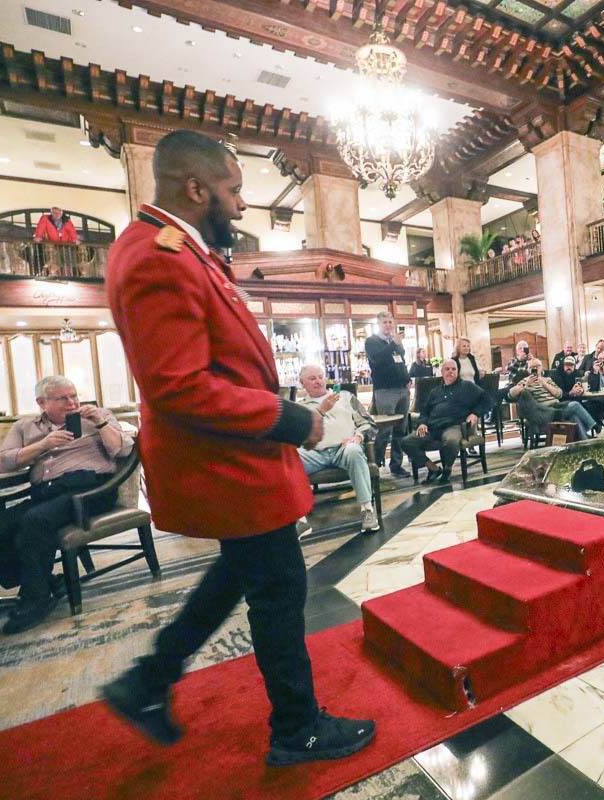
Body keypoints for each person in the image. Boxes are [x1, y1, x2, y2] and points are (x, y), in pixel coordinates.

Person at [101, 130, 375, 765]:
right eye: (234, 190)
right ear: (196, 189)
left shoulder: (177, 249)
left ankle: (149, 678)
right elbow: (178, 385)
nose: (243, 206)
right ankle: (297, 730)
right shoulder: (156, 257)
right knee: (278, 586)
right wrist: (288, 417)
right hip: (225, 460)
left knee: (246, 571)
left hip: (235, 458)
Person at [0, 376, 131, 635]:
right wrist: (43, 445)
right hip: (47, 494)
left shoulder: (98, 417)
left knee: (36, 521)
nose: (73, 402)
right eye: (63, 398)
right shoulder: (25, 426)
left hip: (90, 490)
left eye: (74, 395)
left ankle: (35, 598)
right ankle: (42, 580)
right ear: (42, 403)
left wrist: (101, 422)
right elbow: (2, 463)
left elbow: (124, 451)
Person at [295, 365, 379, 533]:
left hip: (344, 448)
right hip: (314, 453)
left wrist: (358, 437)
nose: (318, 381)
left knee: (354, 450)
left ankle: (367, 509)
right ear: (302, 384)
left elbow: (369, 424)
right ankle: (300, 519)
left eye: (320, 377)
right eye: (312, 379)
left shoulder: (345, 397)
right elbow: (296, 435)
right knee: (288, 459)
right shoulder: (299, 407)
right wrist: (320, 411)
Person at [401, 359, 492, 482]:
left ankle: (447, 469)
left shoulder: (467, 386)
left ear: (458, 371)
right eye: (447, 369)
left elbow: (487, 399)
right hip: (432, 428)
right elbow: (425, 412)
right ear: (442, 372)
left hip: (454, 426)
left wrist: (475, 414)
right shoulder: (435, 392)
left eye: (453, 369)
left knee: (451, 441)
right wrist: (422, 423)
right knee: (407, 442)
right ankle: (433, 468)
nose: (450, 372)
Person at [366, 310, 411, 478]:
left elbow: (400, 362)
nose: (388, 325)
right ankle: (375, 465)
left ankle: (396, 465)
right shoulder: (372, 341)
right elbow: (377, 360)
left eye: (390, 322)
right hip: (385, 391)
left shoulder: (396, 343)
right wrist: (393, 344)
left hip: (402, 390)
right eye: (385, 322)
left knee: (401, 430)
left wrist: (406, 378)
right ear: (379, 324)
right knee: (384, 431)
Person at [508, 357, 599, 440]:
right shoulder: (524, 381)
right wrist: (526, 385)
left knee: (574, 416)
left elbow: (559, 394)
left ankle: (584, 441)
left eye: (537, 366)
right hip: (544, 411)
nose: (535, 369)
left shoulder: (547, 379)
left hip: (558, 406)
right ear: (528, 369)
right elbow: (510, 394)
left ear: (541, 368)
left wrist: (544, 384)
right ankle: (598, 429)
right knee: (575, 405)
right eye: (532, 367)